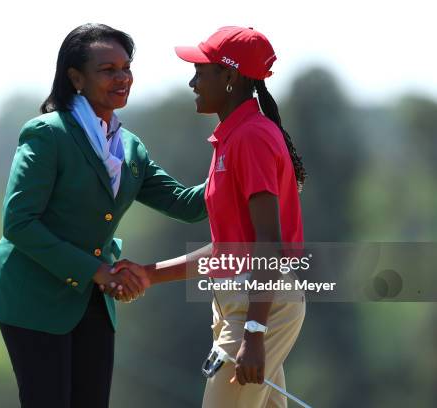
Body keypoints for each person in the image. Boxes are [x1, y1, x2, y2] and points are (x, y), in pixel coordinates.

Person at [0, 23, 207, 408]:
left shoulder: (130, 147)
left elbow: (188, 206)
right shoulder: (46, 134)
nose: (122, 78)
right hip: (34, 297)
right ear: (76, 78)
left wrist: (235, 153)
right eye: (108, 69)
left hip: (94, 301)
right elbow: (18, 222)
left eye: (126, 67)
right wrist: (97, 271)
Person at [110, 26, 308, 407]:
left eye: (201, 71)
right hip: (243, 306)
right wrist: (149, 275)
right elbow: (229, 250)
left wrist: (253, 332)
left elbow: (269, 242)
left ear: (230, 77)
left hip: (258, 307)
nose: (192, 81)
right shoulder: (232, 137)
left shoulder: (250, 137)